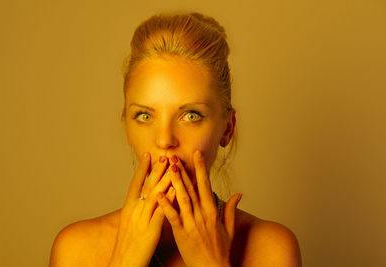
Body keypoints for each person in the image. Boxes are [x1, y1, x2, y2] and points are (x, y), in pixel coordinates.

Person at [49, 12, 301, 267]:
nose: (164, 139)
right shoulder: (75, 249)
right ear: (127, 128)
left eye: (190, 115)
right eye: (145, 115)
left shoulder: (271, 249)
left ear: (227, 128)